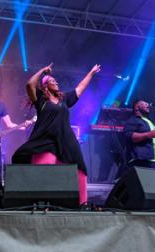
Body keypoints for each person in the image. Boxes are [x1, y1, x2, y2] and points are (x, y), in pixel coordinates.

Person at [12, 63, 101, 206]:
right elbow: (29, 84)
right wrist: (42, 70)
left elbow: (80, 89)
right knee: (44, 172)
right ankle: (41, 203)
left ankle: (81, 203)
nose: (56, 82)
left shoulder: (63, 99)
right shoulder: (40, 99)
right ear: (45, 85)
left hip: (66, 140)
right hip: (45, 141)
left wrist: (91, 73)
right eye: (52, 81)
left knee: (79, 169)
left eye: (56, 81)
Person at [124, 99, 155, 169]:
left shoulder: (149, 121)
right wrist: (148, 134)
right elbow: (130, 137)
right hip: (144, 161)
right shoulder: (133, 120)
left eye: (147, 104)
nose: (147, 105)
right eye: (144, 103)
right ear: (136, 107)